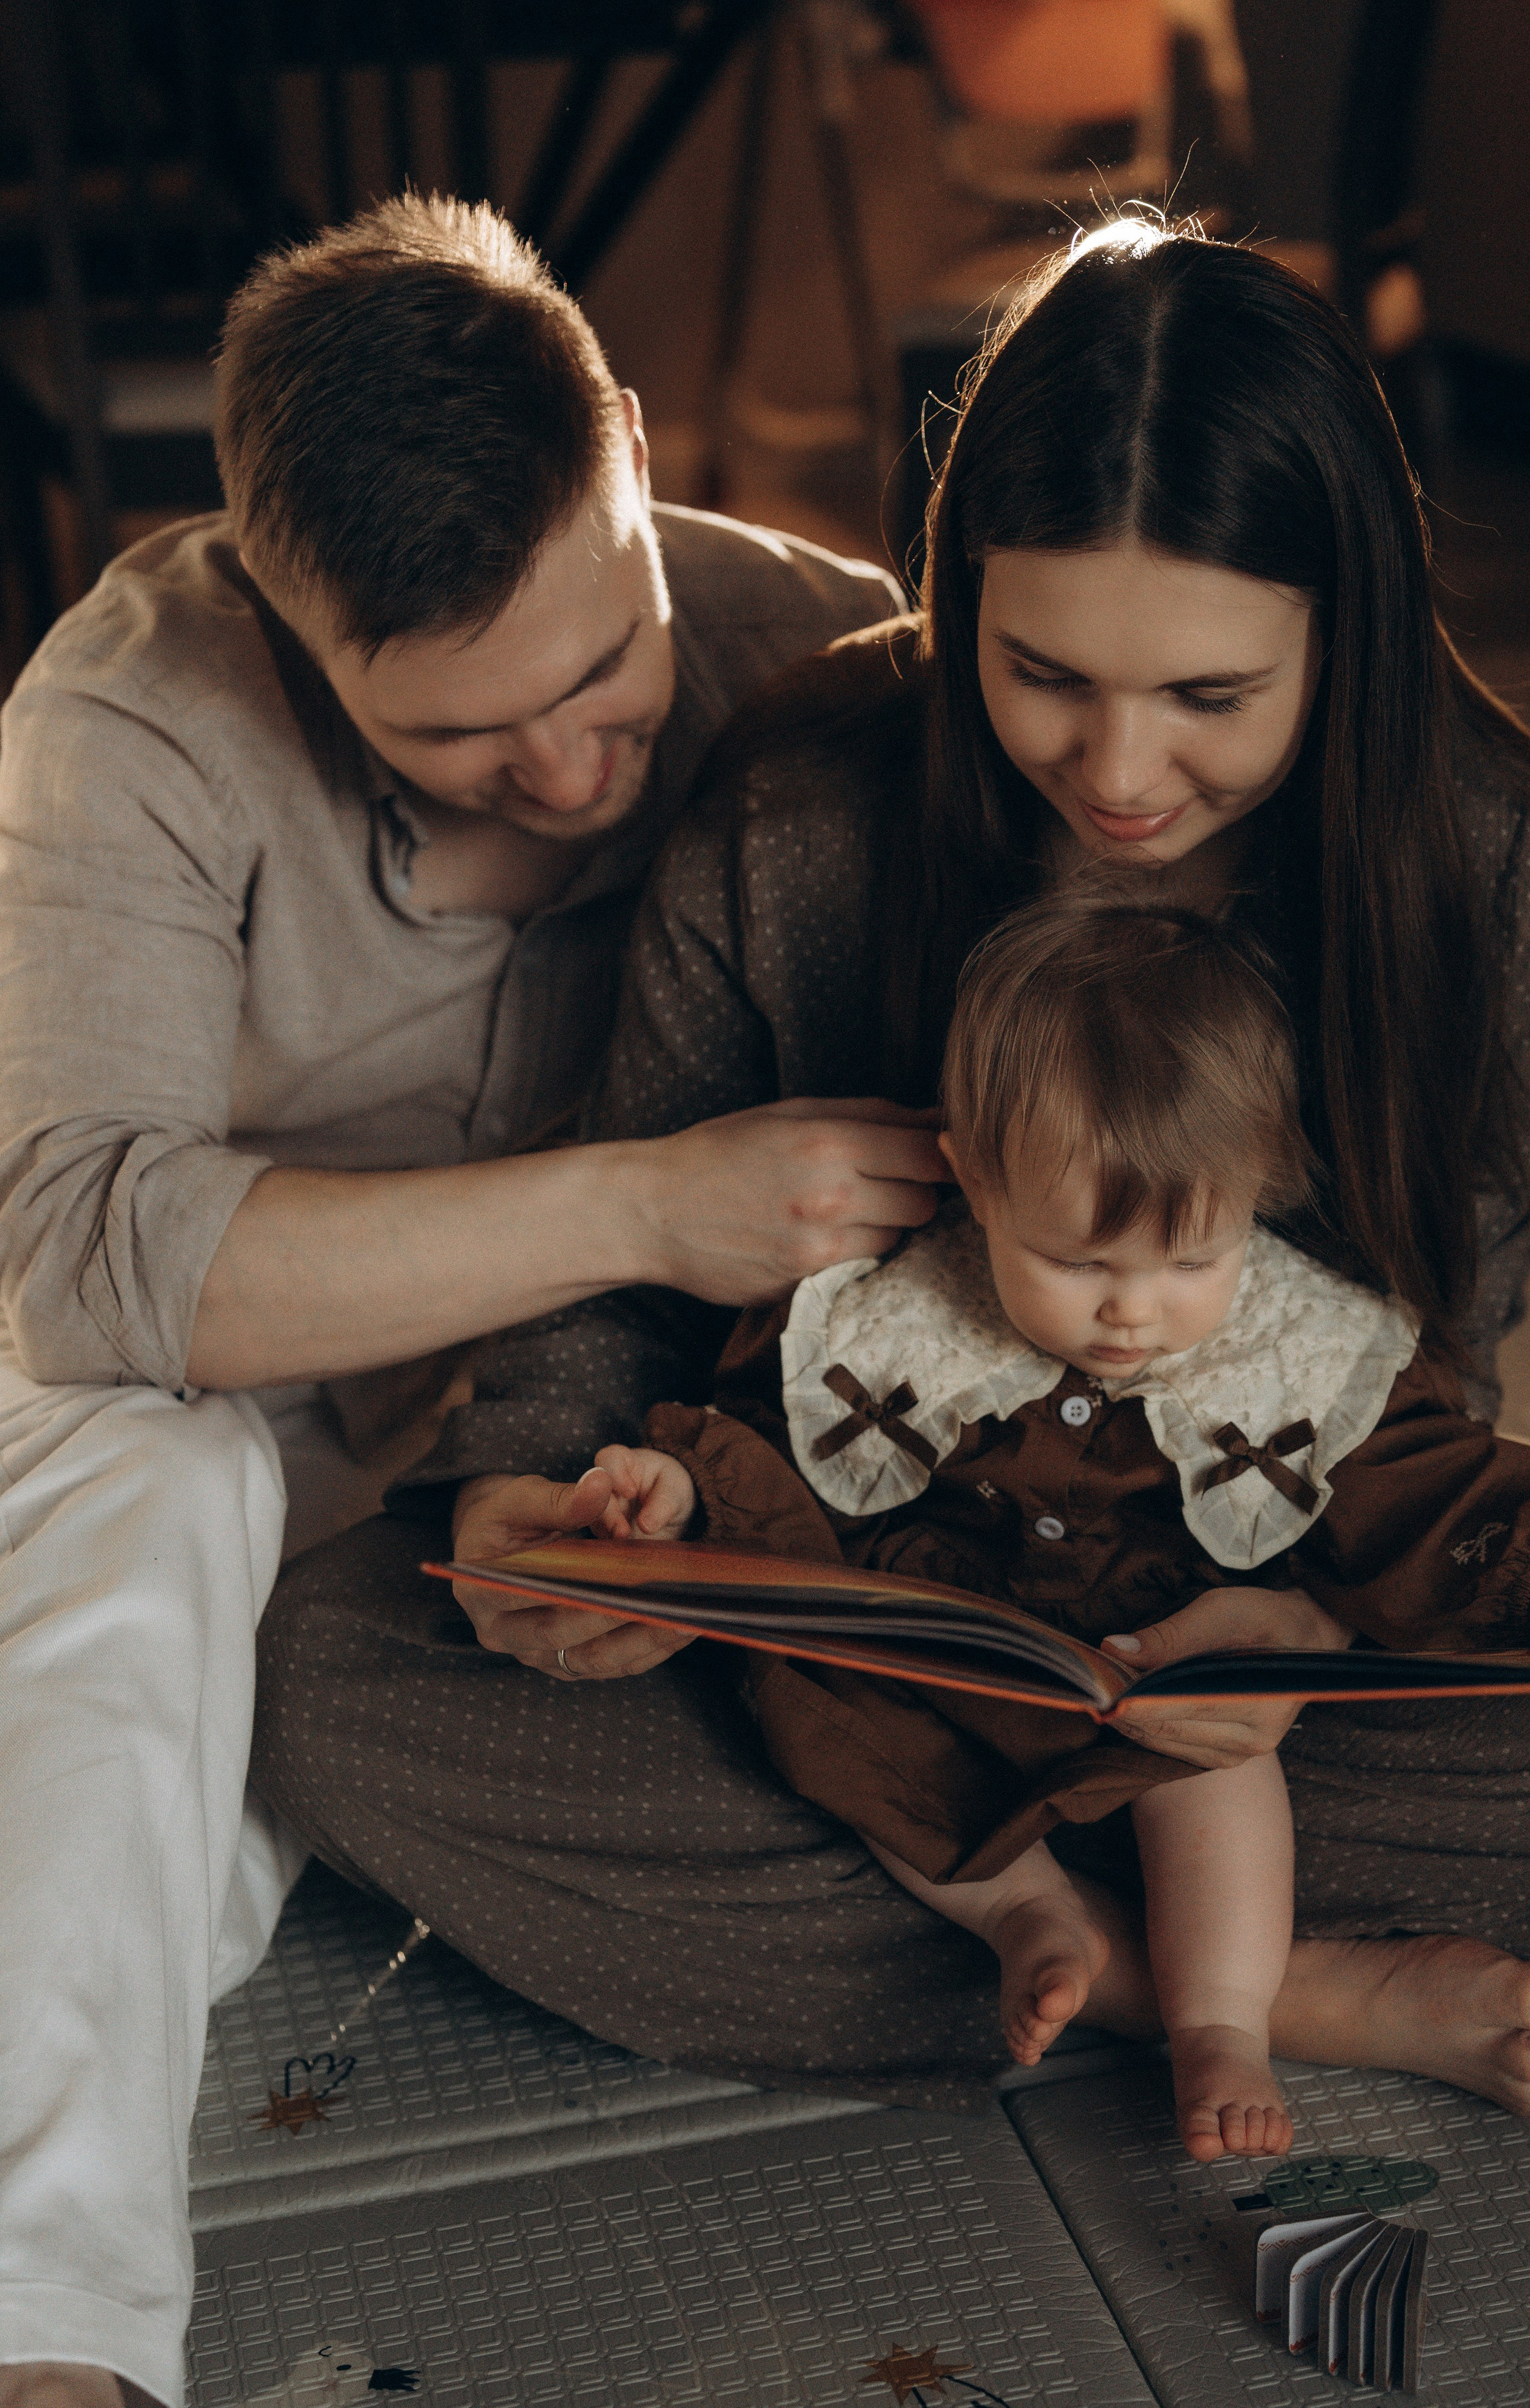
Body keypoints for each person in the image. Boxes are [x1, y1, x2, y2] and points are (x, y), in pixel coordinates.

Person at [255, 217, 1530, 2157]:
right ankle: (1224, 1983)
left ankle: (1083, 1946)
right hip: (870, 1616)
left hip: (1257, 1631)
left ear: (1350, 632)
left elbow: (1433, 1373)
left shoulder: (1478, 869)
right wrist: (547, 1498)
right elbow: (629, 1260)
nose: (1121, 770)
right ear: (953, 593)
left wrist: (1316, 1633)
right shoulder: (810, 810)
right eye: (1043, 673)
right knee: (332, 1679)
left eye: (1213, 701)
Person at [0, 192, 932, 2408]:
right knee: (147, 1528)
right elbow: (90, 1275)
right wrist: (642, 1208)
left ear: (624, 438)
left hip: (527, 1463)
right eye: (457, 737)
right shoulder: (129, 714)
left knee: (170, 1854)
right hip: (179, 1412)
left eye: (602, 668)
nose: (577, 768)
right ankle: (53, 2349)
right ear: (283, 615)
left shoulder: (828, 646)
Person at [578, 898, 1530, 2162]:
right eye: (1074, 1261)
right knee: (831, 1721)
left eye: (1188, 1258)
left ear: (1255, 1192)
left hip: (1165, 1668)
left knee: (1218, 1773)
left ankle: (1218, 2024)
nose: (1129, 1311)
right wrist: (681, 1489)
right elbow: (768, 1429)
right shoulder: (890, 1311)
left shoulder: (1296, 1337)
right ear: (972, 1176)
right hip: (948, 1647)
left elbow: (1420, 1470)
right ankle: (1031, 1918)